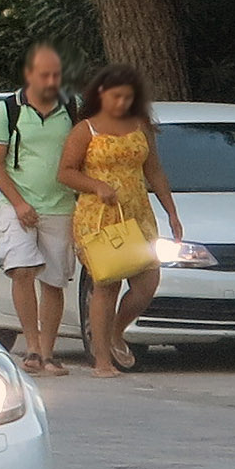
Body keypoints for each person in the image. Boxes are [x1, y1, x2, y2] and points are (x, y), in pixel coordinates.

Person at [58, 64, 181, 378]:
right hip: (99, 216)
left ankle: (115, 331)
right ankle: (101, 360)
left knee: (148, 281)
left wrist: (171, 211)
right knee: (107, 284)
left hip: (137, 213)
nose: (122, 103)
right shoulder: (86, 129)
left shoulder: (140, 126)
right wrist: (97, 185)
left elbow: (154, 170)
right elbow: (66, 172)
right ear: (101, 94)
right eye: (116, 96)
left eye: (128, 97)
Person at [0, 43, 79, 376]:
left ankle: (50, 352)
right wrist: (19, 203)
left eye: (56, 74)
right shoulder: (7, 110)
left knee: (54, 281)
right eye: (45, 74)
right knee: (22, 270)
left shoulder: (71, 107)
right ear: (29, 75)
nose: (52, 80)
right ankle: (33, 348)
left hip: (61, 204)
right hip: (18, 202)